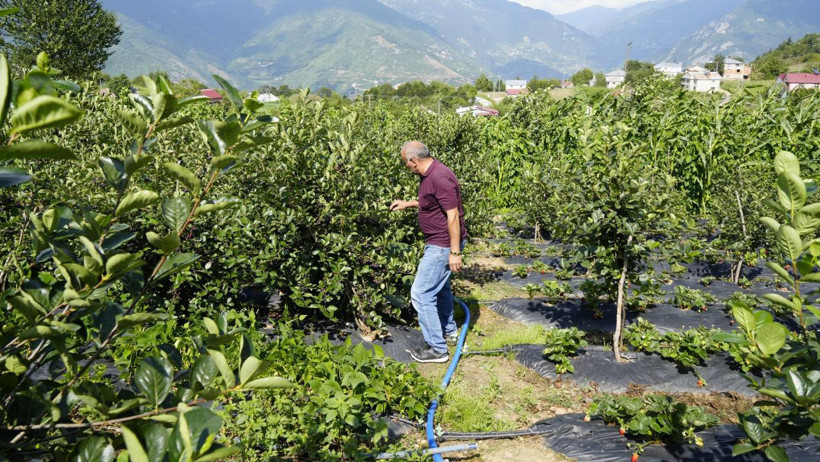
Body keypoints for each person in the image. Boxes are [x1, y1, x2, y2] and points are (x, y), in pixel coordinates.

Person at [390, 141, 467, 363]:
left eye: (406, 163)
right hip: (439, 243)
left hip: (442, 245)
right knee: (440, 288)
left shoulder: (439, 177)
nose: (406, 167)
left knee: (421, 294)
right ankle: (449, 330)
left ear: (414, 161)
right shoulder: (430, 173)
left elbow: (452, 215)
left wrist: (454, 252)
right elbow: (431, 202)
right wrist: (408, 203)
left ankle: (437, 349)